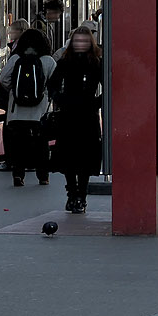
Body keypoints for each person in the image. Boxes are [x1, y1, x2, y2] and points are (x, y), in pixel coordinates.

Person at [49, 26, 104, 212]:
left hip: (83, 114)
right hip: (74, 115)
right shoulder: (68, 62)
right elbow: (52, 86)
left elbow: (109, 86)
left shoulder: (96, 62)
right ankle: (74, 193)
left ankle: (79, 194)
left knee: (82, 158)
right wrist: (61, 99)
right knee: (71, 157)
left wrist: (96, 102)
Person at [0, 27, 56, 186]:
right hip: (40, 112)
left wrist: (14, 91)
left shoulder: (16, 58)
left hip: (17, 111)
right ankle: (43, 176)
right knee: (41, 144)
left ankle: (18, 175)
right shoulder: (48, 60)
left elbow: (3, 78)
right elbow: (56, 83)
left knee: (18, 145)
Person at [0, 19, 32, 173]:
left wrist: (12, 89)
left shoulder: (17, 51)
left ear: (20, 31)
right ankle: (24, 160)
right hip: (21, 95)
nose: (10, 32)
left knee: (10, 128)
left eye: (13, 30)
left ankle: (11, 161)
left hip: (13, 96)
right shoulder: (28, 49)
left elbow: (4, 76)